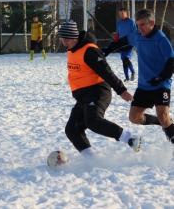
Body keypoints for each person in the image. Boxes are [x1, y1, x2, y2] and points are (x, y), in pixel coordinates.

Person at [58, 20, 141, 158]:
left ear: (74, 37)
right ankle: (91, 160)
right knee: (72, 129)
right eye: (62, 40)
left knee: (93, 121)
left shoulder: (90, 50)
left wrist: (121, 89)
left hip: (97, 92)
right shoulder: (71, 48)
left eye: (66, 40)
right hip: (83, 96)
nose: (64, 43)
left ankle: (130, 139)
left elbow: (106, 71)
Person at [102, 8, 174, 144]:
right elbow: (123, 41)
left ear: (152, 23)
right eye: (138, 24)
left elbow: (171, 61)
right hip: (144, 86)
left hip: (161, 84)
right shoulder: (138, 35)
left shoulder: (161, 39)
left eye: (142, 24)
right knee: (134, 118)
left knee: (164, 116)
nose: (139, 28)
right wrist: (109, 48)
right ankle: (161, 122)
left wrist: (161, 77)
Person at [116, 7, 137, 82]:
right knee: (123, 60)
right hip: (121, 43)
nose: (121, 15)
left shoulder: (131, 21)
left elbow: (135, 32)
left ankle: (133, 72)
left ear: (126, 13)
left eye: (122, 13)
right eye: (120, 14)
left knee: (126, 58)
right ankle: (127, 78)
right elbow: (117, 33)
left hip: (128, 42)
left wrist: (134, 41)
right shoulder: (119, 22)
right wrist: (116, 42)